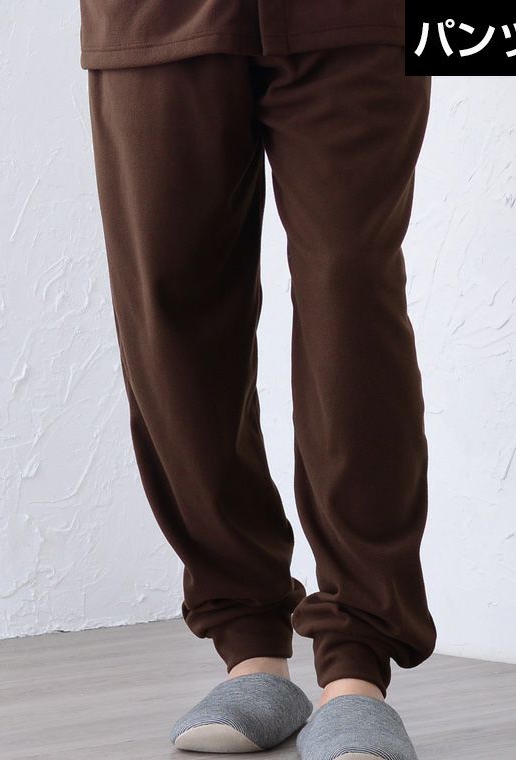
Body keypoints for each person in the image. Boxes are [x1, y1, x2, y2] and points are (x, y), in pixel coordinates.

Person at [79, 2, 437, 757]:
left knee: (352, 301)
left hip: (357, 19)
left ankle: (357, 667)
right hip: (156, 17)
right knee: (169, 312)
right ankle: (250, 649)